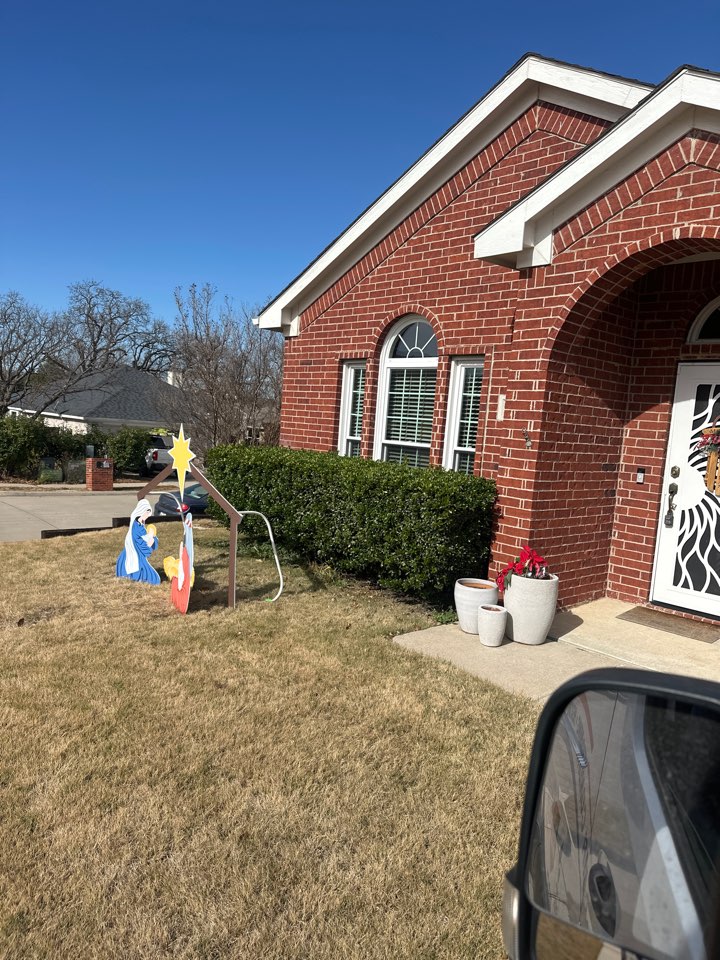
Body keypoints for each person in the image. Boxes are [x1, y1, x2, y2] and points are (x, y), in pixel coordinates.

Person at [115, 499, 160, 585]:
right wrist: (149, 543)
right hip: (135, 552)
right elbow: (138, 540)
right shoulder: (136, 526)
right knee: (153, 578)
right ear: (142, 511)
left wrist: (151, 537)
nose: (147, 516)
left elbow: (143, 536)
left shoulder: (140, 524)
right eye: (147, 513)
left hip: (138, 551)